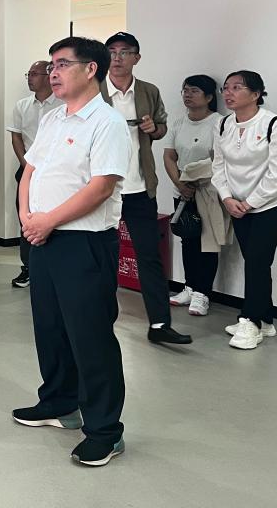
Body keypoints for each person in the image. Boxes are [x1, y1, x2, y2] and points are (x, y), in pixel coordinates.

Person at [12, 36, 132, 468]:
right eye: (51, 65)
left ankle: (105, 431)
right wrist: (27, 215)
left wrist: (47, 221)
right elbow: (29, 170)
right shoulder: (53, 119)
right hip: (43, 239)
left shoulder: (107, 123)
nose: (53, 72)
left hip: (83, 243)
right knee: (50, 328)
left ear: (91, 69)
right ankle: (60, 403)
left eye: (62, 64)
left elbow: (100, 188)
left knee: (90, 336)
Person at [100, 32, 191, 345]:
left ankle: (160, 324)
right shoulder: (93, 89)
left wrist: (155, 129)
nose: (117, 58)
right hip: (102, 189)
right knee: (103, 257)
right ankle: (101, 322)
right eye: (112, 51)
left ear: (136, 58)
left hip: (140, 187)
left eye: (125, 52)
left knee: (149, 257)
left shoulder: (148, 91)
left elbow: (162, 126)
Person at [212, 71, 277, 350]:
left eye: (237, 87)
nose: (228, 93)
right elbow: (218, 166)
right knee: (254, 259)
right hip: (237, 203)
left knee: (257, 260)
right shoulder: (222, 124)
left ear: (256, 94)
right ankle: (266, 319)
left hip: (274, 203)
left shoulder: (275, 124)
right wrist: (227, 198)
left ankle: (250, 321)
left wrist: (250, 203)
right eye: (226, 88)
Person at [162, 75, 222, 316]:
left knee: (207, 243)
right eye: (185, 90)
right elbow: (169, 156)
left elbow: (219, 159)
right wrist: (180, 183)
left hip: (208, 192)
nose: (187, 94)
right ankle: (189, 287)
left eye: (194, 90)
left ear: (208, 97)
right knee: (188, 239)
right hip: (182, 192)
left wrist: (197, 182)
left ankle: (202, 293)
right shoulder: (178, 123)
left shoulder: (219, 123)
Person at [7, 60, 61, 288]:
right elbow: (16, 137)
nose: (30, 78)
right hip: (28, 168)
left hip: (56, 171)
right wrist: (26, 164)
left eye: (34, 74)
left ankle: (52, 266)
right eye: (28, 74)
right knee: (26, 219)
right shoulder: (22, 106)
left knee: (53, 218)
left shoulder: (61, 104)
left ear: (48, 76)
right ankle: (28, 267)